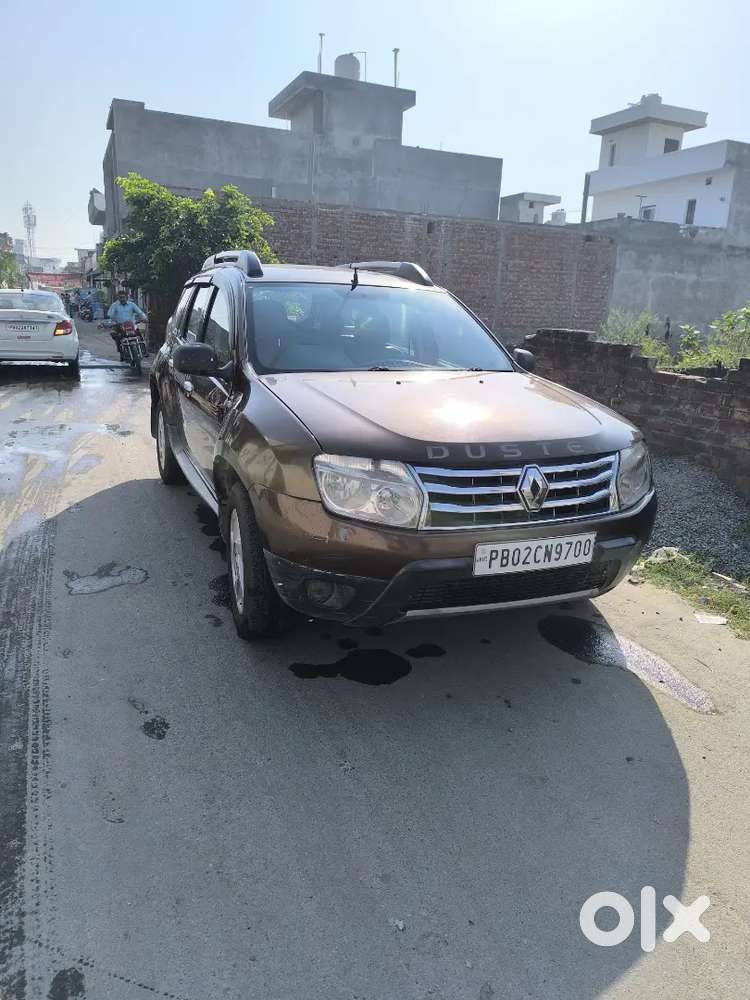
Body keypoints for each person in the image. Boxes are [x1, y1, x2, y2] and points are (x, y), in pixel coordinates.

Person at [107, 289, 147, 356]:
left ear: (127, 297)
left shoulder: (132, 305)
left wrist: (144, 318)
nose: (122, 299)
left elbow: (140, 312)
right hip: (120, 325)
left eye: (123, 297)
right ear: (118, 298)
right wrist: (110, 323)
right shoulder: (114, 305)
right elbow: (111, 316)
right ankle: (120, 349)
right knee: (115, 335)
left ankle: (144, 350)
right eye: (120, 297)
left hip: (132, 325)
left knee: (139, 335)